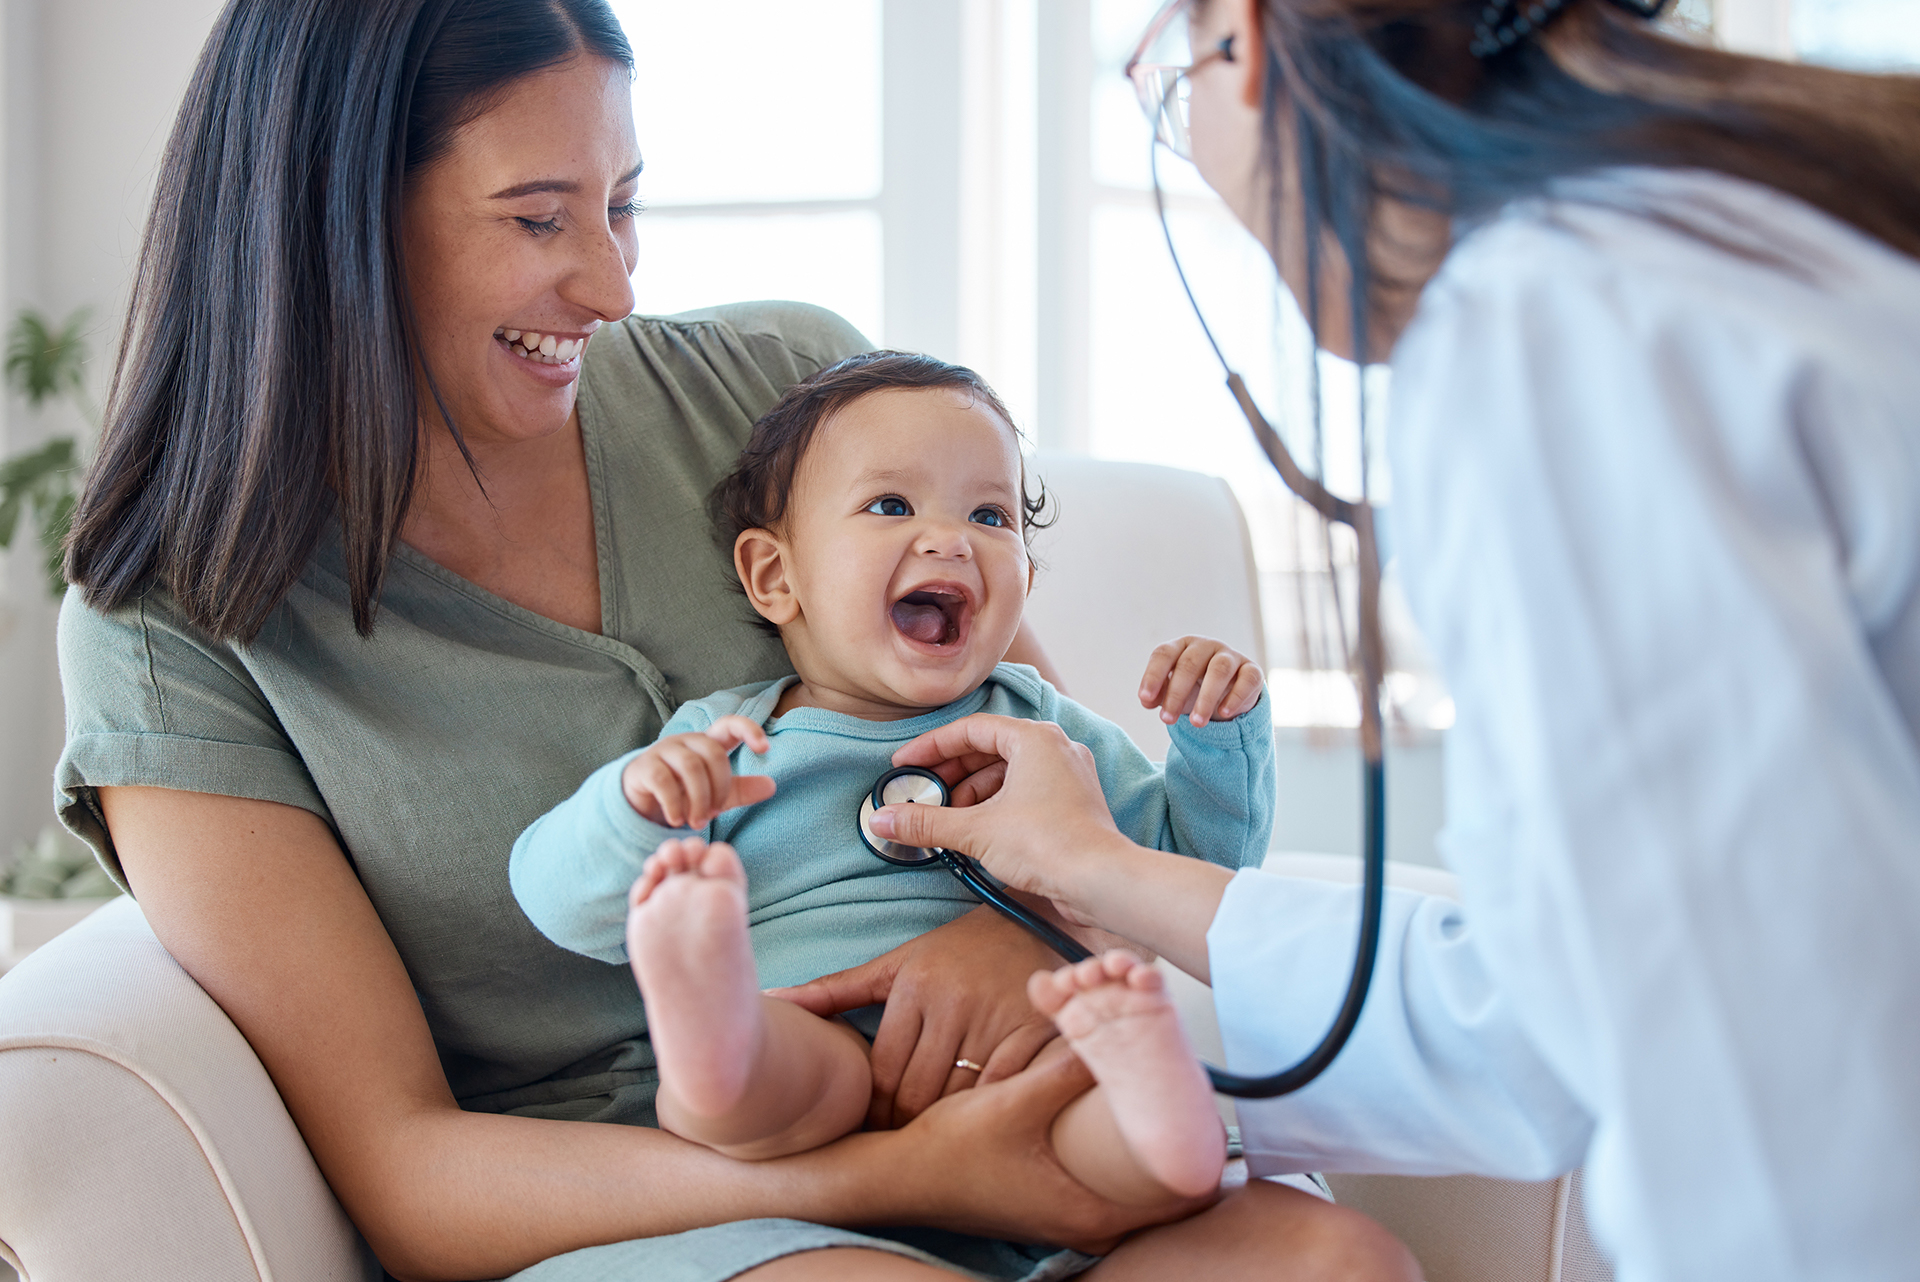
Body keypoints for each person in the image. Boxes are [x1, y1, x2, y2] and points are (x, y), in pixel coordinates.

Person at [49, 1, 1419, 1279]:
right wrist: (888, 1176)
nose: (610, 284)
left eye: (624, 204)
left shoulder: (784, 393)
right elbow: (408, 1169)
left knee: (1335, 1261)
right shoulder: (171, 626)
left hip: (1002, 1105)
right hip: (661, 1204)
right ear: (337, 225)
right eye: (539, 220)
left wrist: (1011, 944)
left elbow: (1028, 773)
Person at [859, 2, 1920, 1280]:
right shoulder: (1760, 224)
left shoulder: (1559, 328)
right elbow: (1575, 1002)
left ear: (1247, 43)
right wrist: (1092, 869)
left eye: (1174, 85)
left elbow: (1743, 1088)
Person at [509, 351, 1266, 1205]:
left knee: (1132, 1158)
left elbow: (1188, 871)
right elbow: (558, 902)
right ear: (776, 577)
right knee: (746, 1090)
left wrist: (1214, 739)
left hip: (1030, 1047)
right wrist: (634, 808)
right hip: (814, 1034)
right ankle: (713, 1020)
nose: (950, 538)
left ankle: (1157, 1099)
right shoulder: (729, 743)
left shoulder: (1043, 729)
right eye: (891, 505)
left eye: (991, 514)